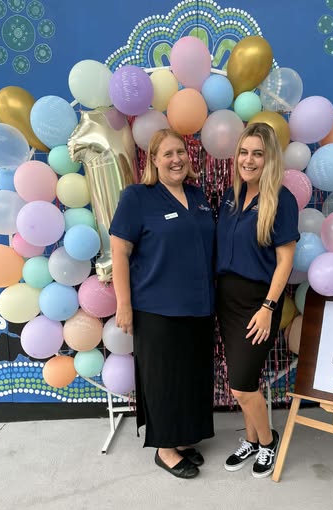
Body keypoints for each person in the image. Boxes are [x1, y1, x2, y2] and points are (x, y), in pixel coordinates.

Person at [109, 128, 215, 479]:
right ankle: (165, 449)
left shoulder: (198, 197)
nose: (176, 159)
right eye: (167, 153)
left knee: (191, 376)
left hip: (198, 306)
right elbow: (119, 252)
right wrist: (124, 304)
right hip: (156, 309)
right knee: (163, 379)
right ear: (153, 160)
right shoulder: (137, 198)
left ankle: (183, 438)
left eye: (180, 152)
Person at [216, 122, 300, 479]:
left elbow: (285, 261)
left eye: (258, 154)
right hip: (227, 301)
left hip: (258, 303)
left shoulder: (282, 200)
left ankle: (267, 442)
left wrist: (268, 308)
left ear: (270, 160)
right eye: (244, 152)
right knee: (246, 381)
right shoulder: (230, 197)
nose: (248, 160)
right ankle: (250, 440)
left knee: (240, 385)